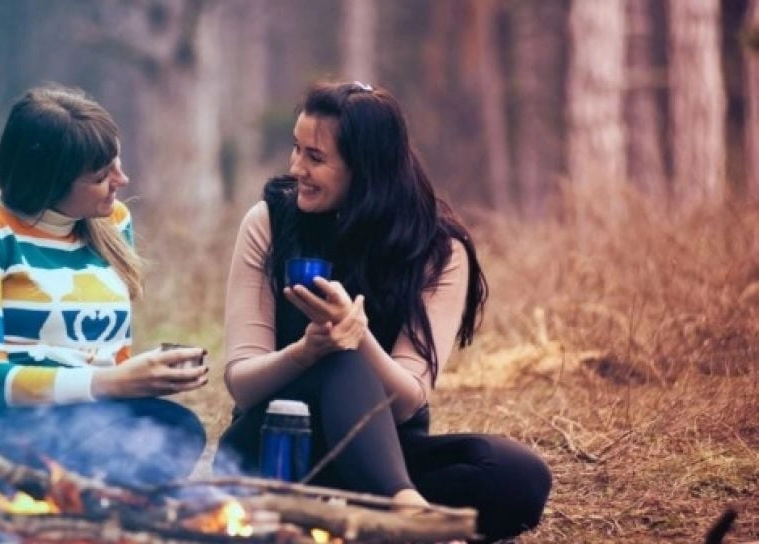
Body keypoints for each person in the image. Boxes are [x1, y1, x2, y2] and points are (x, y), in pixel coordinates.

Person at [213, 81, 551, 542]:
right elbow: (244, 384)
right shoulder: (270, 223)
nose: (297, 168)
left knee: (518, 474)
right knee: (337, 360)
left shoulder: (438, 248)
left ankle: (371, 515)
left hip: (381, 452)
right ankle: (405, 513)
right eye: (297, 149)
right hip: (274, 450)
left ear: (365, 168)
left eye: (315, 157)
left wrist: (360, 337)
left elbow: (410, 397)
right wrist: (307, 352)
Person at [0, 83, 209, 540]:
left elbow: (108, 356)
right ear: (49, 180)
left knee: (174, 427)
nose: (121, 181)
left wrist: (139, 378)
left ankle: (69, 518)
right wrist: (110, 382)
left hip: (60, 425)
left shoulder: (112, 223)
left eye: (117, 163)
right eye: (102, 174)